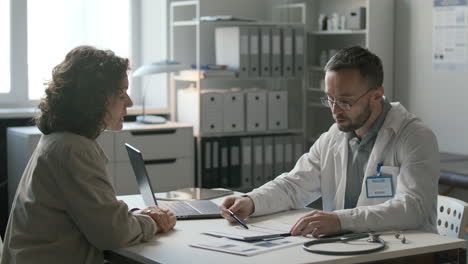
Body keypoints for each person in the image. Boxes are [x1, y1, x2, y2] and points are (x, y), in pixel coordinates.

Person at [220, 46, 439, 237]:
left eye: (345, 101)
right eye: (330, 99)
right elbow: (293, 185)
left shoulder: (414, 136)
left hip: (405, 252)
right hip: (348, 249)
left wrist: (340, 221)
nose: (334, 110)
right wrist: (252, 202)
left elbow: (413, 207)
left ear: (376, 95)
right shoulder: (334, 136)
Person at [1, 46, 176, 264]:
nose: (129, 103)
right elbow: (113, 234)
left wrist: (135, 218)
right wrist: (153, 222)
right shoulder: (73, 149)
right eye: (121, 93)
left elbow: (99, 217)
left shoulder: (60, 140)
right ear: (95, 98)